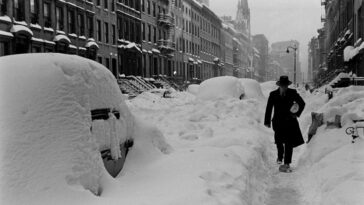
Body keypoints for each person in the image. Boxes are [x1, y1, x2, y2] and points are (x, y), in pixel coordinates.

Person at [264, 76, 305, 173]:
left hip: (289, 121)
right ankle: (279, 156)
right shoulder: (273, 94)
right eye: (283, 85)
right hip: (277, 122)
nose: (284, 87)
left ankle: (287, 163)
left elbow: (302, 103)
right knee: (278, 141)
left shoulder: (292, 93)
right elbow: (269, 108)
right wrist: (267, 121)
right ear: (279, 85)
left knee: (288, 142)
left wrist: (296, 114)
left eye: (286, 85)